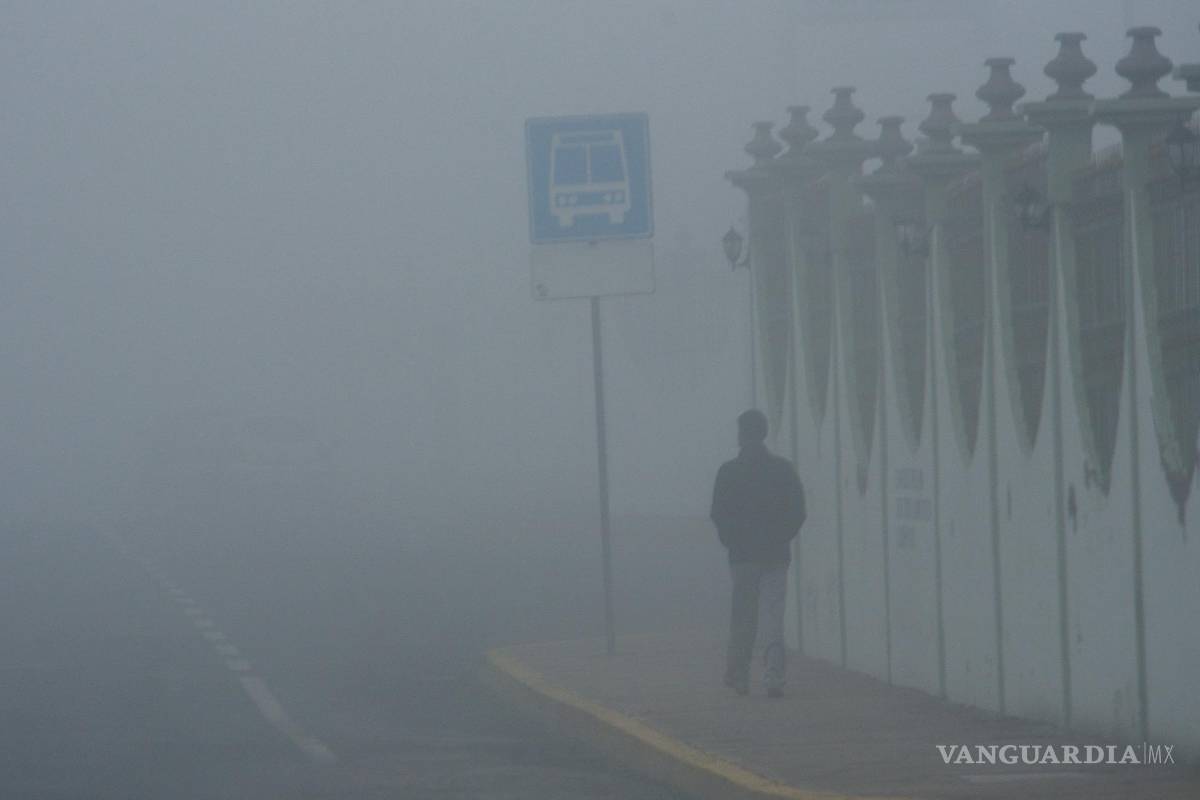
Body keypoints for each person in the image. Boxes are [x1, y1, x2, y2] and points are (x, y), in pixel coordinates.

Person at [709, 409, 806, 697]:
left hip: (742, 557)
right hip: (776, 555)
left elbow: (718, 513)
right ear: (763, 433)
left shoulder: (729, 472)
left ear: (742, 434)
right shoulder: (783, 470)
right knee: (773, 617)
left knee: (743, 617)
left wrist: (732, 541)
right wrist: (781, 537)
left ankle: (739, 676)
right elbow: (798, 511)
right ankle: (774, 677)